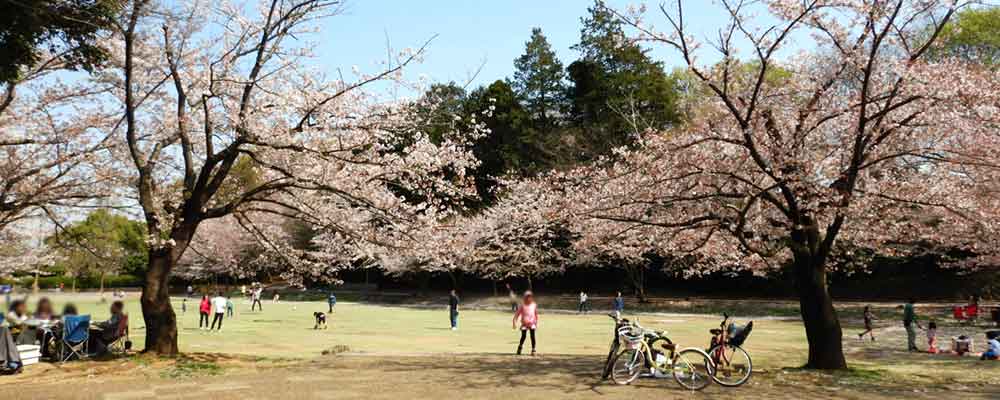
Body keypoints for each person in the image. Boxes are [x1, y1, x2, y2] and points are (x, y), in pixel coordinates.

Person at [513, 291, 539, 356]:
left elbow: (536, 314)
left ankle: (533, 349)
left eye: (530, 297)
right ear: (525, 298)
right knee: (523, 336)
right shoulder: (522, 305)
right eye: (527, 297)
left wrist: (536, 322)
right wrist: (514, 322)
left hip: (532, 323)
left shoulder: (534, 305)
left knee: (532, 336)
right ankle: (520, 347)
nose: (528, 298)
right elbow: (517, 315)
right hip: (524, 324)